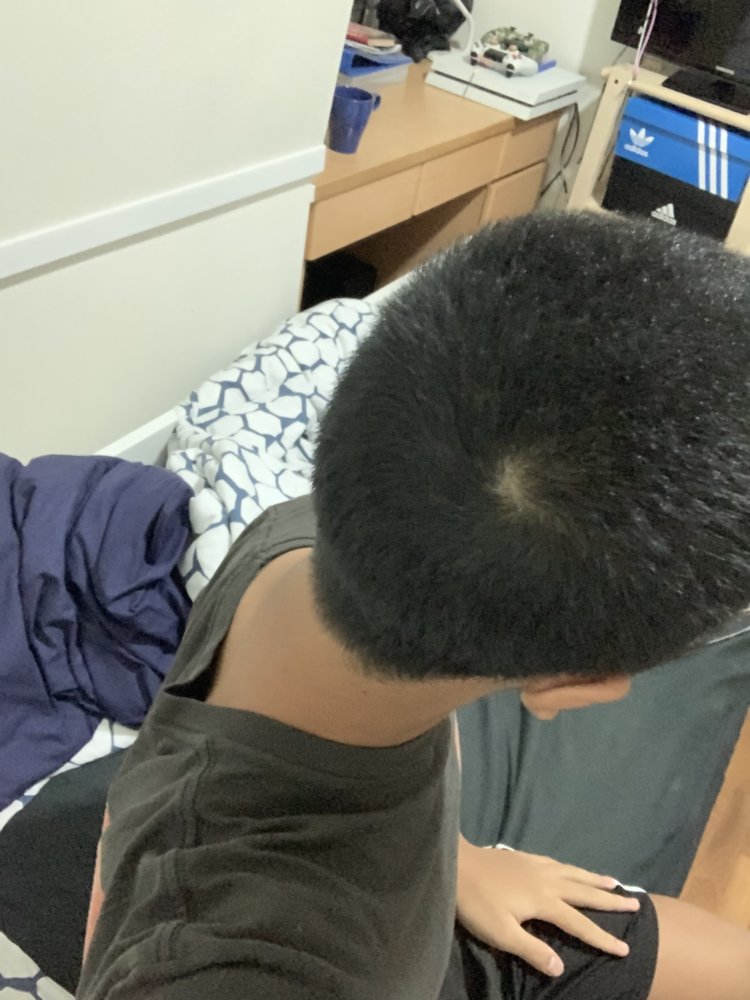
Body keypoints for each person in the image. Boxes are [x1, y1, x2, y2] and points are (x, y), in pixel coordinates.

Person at [78, 213, 750, 1000]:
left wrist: (458, 861)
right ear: (574, 688)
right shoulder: (243, 966)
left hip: (441, 869)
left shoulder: (310, 534)